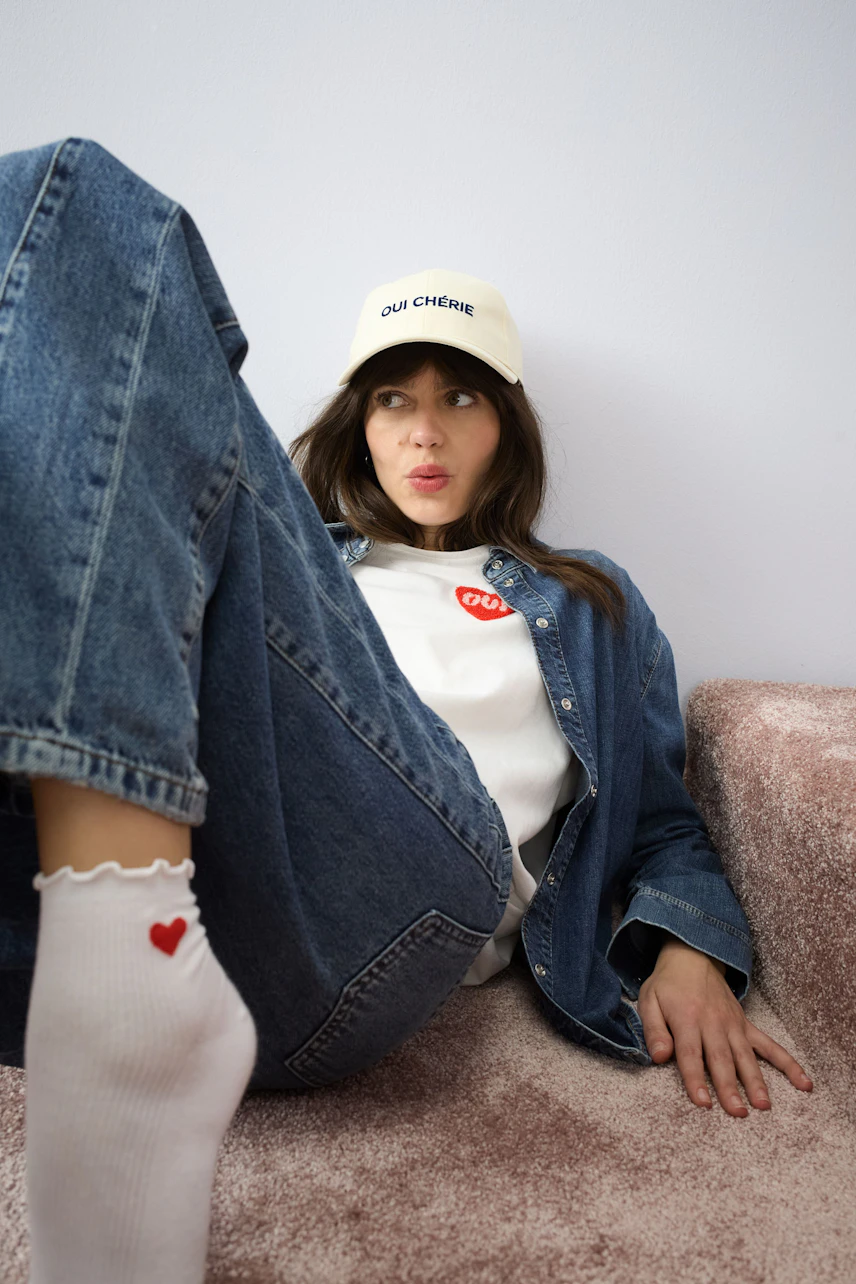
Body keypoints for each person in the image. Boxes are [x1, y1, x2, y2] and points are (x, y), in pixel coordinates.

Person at [0, 140, 811, 1284]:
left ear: (505, 428)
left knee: (89, 202)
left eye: (459, 397)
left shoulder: (587, 601)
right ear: (360, 424)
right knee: (41, 208)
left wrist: (687, 945)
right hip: (222, 874)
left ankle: (120, 960)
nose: (424, 434)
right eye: (393, 399)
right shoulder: (304, 575)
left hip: (412, 905)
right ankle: (122, 944)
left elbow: (664, 821)